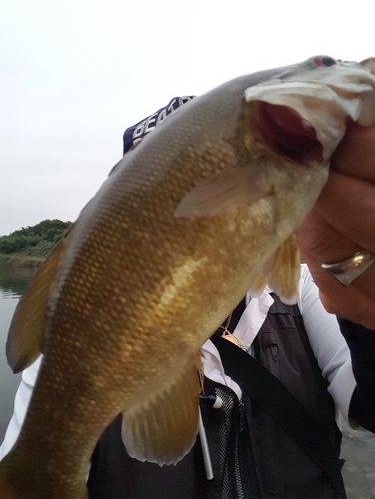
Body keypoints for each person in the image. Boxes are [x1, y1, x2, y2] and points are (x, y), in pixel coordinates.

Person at [1, 97, 375, 499]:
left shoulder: (304, 290)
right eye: (155, 199)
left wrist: (362, 298)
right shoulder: (71, 341)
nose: (187, 216)